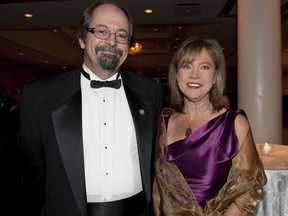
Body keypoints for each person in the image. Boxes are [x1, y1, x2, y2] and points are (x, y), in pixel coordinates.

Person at [19, 1, 163, 216]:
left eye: (122, 35)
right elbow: (34, 166)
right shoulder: (40, 95)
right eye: (102, 31)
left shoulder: (151, 92)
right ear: (82, 39)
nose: (112, 41)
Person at [152, 37, 267, 216]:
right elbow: (159, 192)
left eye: (204, 67)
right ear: (176, 75)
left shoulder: (234, 124)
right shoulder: (164, 122)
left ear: (215, 77)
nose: (194, 75)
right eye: (187, 66)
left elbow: (249, 190)